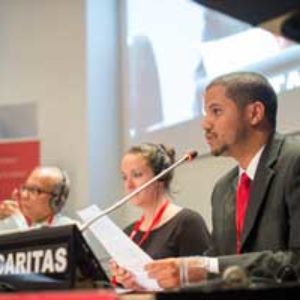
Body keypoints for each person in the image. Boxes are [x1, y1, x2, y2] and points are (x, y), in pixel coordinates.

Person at [144, 71, 300, 289]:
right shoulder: (223, 189)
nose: (205, 124)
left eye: (216, 111)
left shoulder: (295, 162)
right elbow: (219, 262)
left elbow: (296, 262)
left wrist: (205, 268)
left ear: (255, 113)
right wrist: (155, 277)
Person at [109, 143, 210, 289]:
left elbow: (204, 284)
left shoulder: (187, 223)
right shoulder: (128, 233)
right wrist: (126, 282)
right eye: (124, 177)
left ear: (161, 177)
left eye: (137, 175)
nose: (128, 185)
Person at [0, 166, 76, 230]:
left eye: (35, 191)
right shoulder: (14, 223)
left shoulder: (69, 229)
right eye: (25, 188)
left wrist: (18, 220)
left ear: (56, 201)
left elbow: (32, 246)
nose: (24, 196)